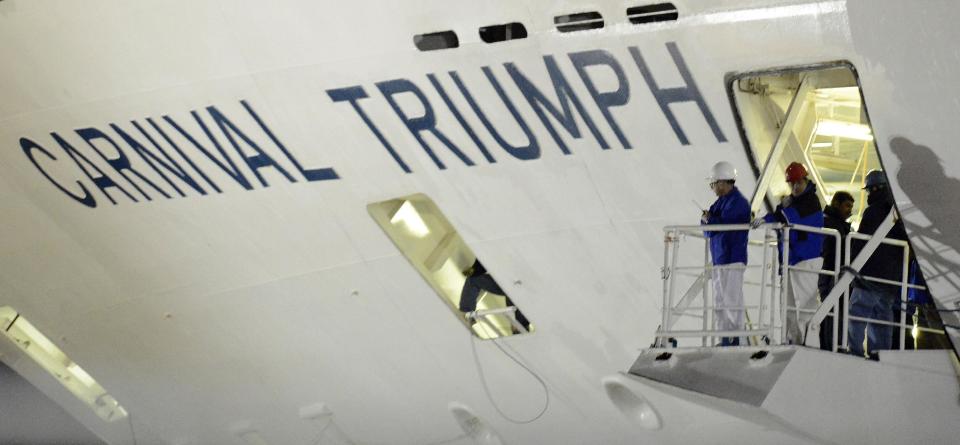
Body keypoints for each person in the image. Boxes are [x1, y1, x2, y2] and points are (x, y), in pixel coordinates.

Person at [752, 162, 824, 344]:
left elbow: (786, 217)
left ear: (805, 180)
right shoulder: (795, 202)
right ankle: (791, 341)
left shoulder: (810, 201)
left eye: (797, 183)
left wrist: (768, 218)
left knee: (805, 307)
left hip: (806, 259)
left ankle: (809, 344)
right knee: (789, 307)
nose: (795, 187)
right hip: (792, 261)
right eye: (791, 184)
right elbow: (783, 215)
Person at [848, 170, 908, 358]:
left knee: (857, 313)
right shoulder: (898, 211)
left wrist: (852, 269)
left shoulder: (873, 211)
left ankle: (855, 352)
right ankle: (879, 355)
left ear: (874, 189)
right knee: (881, 318)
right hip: (890, 279)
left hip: (869, 276)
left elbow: (861, 242)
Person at [701, 161, 751, 346]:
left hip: (732, 257)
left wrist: (709, 220)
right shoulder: (720, 203)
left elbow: (720, 226)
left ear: (721, 182)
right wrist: (708, 220)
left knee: (732, 299)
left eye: (713, 183)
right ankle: (725, 338)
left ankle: (737, 339)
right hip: (720, 258)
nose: (712, 187)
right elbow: (708, 231)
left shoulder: (738, 203)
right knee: (720, 301)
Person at [818, 191, 855, 350]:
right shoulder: (834, 225)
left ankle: (828, 345)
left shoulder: (830, 222)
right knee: (835, 312)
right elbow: (830, 251)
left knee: (830, 312)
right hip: (832, 274)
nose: (850, 210)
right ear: (837, 204)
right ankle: (834, 346)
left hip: (830, 274)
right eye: (847, 205)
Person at [459, 260, 530, 333]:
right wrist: (472, 270)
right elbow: (481, 263)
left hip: (521, 283)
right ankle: (467, 315)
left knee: (514, 289)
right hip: (505, 281)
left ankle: (520, 327)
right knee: (473, 279)